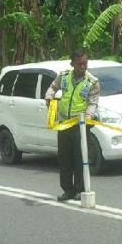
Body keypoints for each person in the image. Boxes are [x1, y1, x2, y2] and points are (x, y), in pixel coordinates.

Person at [44, 50, 100, 202]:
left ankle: (79, 190)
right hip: (64, 124)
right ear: (72, 64)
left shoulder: (92, 82)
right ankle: (67, 190)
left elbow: (93, 103)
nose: (82, 66)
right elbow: (53, 87)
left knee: (80, 159)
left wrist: (88, 116)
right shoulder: (64, 76)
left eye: (85, 63)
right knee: (65, 159)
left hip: (80, 125)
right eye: (79, 64)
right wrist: (49, 96)